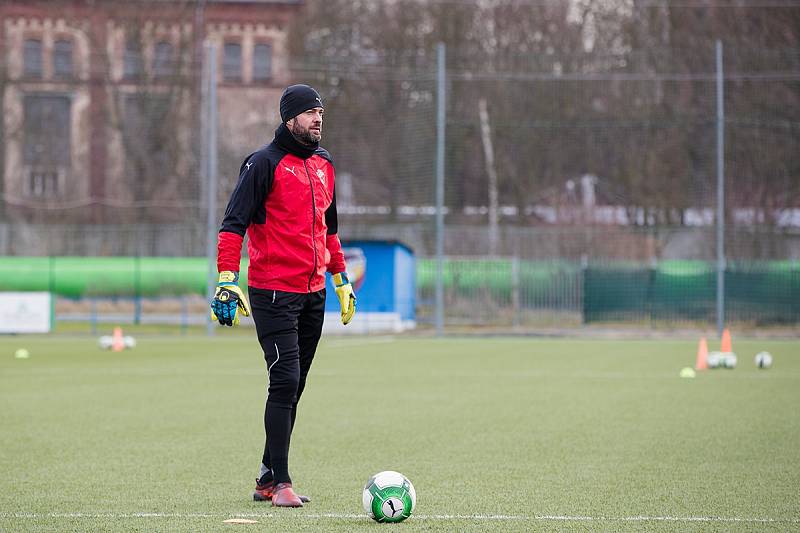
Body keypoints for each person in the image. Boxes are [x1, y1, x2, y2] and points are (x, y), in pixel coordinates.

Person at [210, 84, 356, 507]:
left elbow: (329, 230)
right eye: (310, 113)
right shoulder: (262, 163)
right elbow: (232, 224)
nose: (317, 120)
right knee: (285, 379)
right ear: (289, 118)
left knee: (297, 384)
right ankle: (282, 484)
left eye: (321, 113)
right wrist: (226, 278)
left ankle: (265, 476)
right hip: (273, 291)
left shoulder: (325, 165)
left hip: (313, 292)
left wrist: (341, 278)